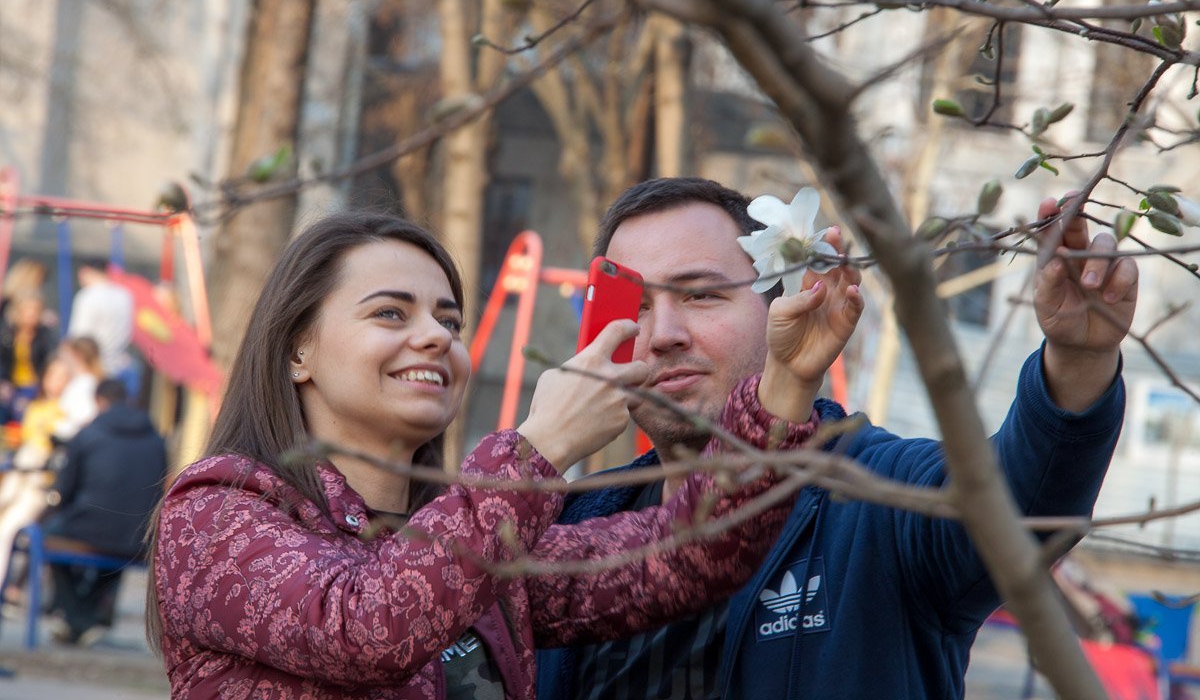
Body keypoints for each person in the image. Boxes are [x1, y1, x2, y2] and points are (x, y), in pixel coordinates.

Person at [146, 211, 851, 699]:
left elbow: (689, 555)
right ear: (298, 348)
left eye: (448, 319)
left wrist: (787, 382)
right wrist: (540, 447)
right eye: (391, 313)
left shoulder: (481, 545)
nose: (434, 337)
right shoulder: (213, 515)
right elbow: (366, 626)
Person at [537, 177, 1134, 700]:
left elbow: (1022, 511)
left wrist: (1077, 362)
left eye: (699, 294)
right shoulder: (570, 527)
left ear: (783, 301)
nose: (662, 333)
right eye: (636, 305)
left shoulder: (877, 494)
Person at [36, 377, 166, 645]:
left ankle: (76, 617)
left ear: (99, 401)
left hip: (91, 528)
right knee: (118, 547)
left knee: (45, 536)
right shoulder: (155, 439)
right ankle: (87, 618)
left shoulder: (88, 434)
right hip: (138, 536)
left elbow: (65, 491)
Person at [0, 358, 70, 607]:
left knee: (10, 527)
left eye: (62, 377)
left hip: (41, 484)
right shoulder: (34, 407)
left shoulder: (67, 413)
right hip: (19, 476)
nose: (55, 382)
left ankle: (6, 587)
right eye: (52, 375)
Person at [66, 259, 136, 399]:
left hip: (91, 364)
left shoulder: (88, 296)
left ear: (85, 272)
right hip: (117, 364)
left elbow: (79, 335)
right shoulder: (124, 295)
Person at [0, 291, 58, 424]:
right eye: (28, 310)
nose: (31, 314)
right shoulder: (6, 334)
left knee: (23, 410)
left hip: (34, 386)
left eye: (35, 310)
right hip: (11, 384)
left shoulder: (45, 336)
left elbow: (49, 364)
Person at [53, 336, 104, 443]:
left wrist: (55, 427)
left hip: (72, 442)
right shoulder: (83, 382)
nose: (62, 361)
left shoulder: (84, 384)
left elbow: (84, 418)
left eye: (65, 356)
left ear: (77, 356)